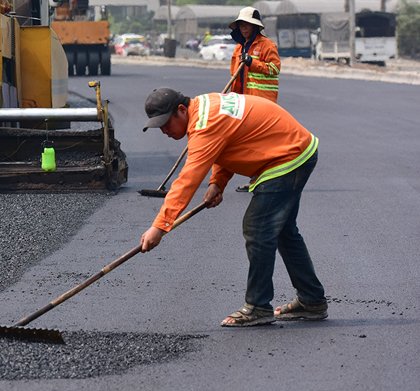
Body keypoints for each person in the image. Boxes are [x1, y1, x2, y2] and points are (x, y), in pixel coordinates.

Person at [140, 87, 327, 327]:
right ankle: (312, 301)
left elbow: (186, 181)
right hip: (295, 149)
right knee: (282, 232)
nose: (164, 130)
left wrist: (160, 226)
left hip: (288, 157)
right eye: (159, 127)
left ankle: (258, 306)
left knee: (258, 228)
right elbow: (229, 141)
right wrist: (217, 182)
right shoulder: (206, 107)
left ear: (181, 110)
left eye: (166, 123)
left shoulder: (204, 125)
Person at [229, 6, 280, 103]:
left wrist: (251, 62)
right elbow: (234, 75)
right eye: (241, 25)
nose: (244, 28)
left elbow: (275, 69)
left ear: (254, 26)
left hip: (262, 100)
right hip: (242, 100)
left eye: (247, 24)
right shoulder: (238, 49)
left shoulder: (268, 45)